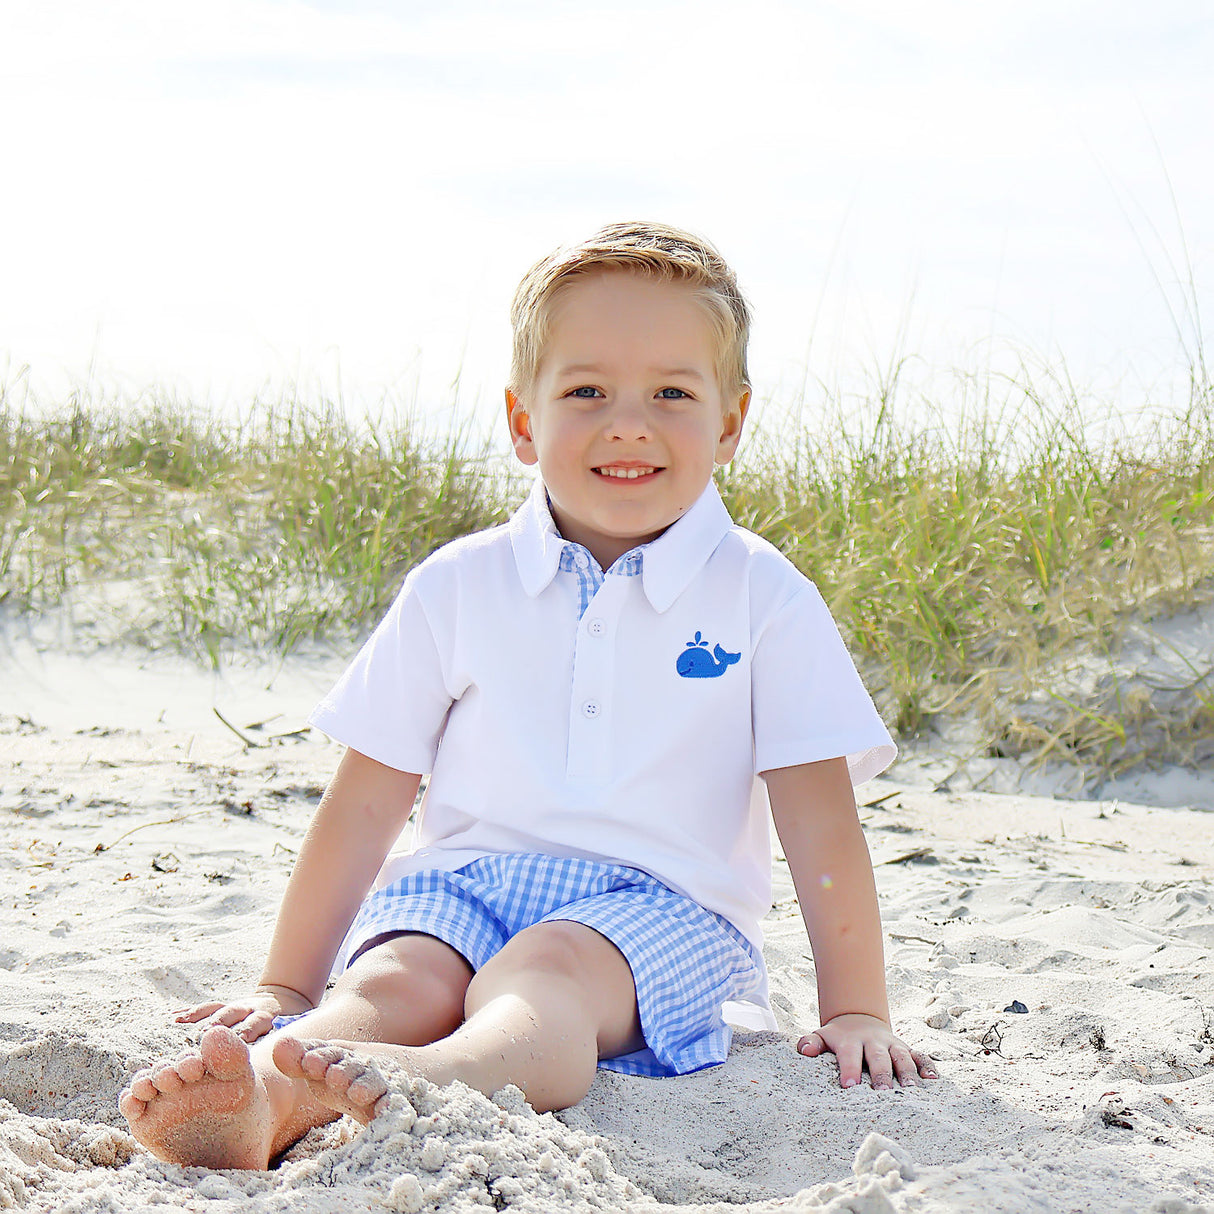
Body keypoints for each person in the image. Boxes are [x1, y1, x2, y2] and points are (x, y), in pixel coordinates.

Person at [119, 221, 936, 1171]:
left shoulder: (763, 597)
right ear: (522, 421)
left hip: (656, 917)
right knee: (395, 971)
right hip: (467, 887)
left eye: (672, 393)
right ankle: (276, 1084)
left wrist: (855, 1010)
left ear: (730, 422)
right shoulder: (460, 585)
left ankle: (429, 1077)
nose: (627, 422)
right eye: (586, 391)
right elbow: (365, 803)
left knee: (547, 973)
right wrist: (286, 982)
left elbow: (821, 825)